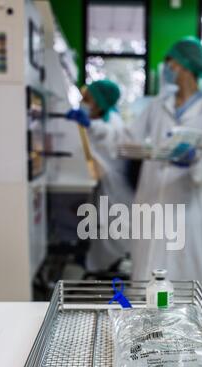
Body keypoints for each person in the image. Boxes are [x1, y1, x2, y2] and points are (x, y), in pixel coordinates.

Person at [130, 37, 202, 294]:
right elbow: (130, 140)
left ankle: (186, 327)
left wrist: (195, 160)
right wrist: (149, 149)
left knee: (184, 272)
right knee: (147, 268)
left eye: (171, 63)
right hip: (152, 199)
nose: (167, 69)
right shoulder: (157, 104)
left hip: (188, 206)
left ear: (185, 66)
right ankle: (144, 327)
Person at [66, 79, 133, 274]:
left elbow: (108, 134)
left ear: (100, 101)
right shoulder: (103, 119)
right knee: (100, 227)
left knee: (109, 230)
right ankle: (99, 266)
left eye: (87, 98)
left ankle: (104, 269)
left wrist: (88, 124)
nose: (83, 102)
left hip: (115, 188)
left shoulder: (112, 121)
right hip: (106, 184)